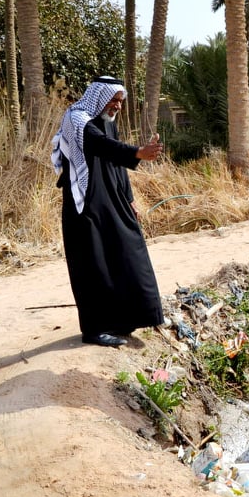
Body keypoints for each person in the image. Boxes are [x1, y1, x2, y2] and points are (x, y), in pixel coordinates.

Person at [51, 76, 165, 347]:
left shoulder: (106, 121)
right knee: (93, 265)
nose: (117, 106)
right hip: (85, 205)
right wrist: (139, 152)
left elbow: (115, 164)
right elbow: (102, 146)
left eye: (120, 102)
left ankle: (123, 320)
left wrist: (129, 198)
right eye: (114, 100)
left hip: (112, 200)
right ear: (99, 97)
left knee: (127, 250)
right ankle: (93, 330)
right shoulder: (77, 119)